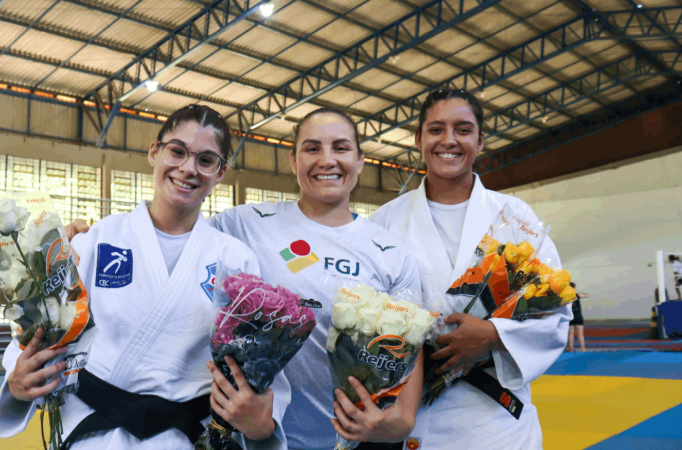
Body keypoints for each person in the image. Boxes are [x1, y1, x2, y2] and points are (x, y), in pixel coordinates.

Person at [67, 107, 424, 450]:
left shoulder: (390, 251)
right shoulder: (245, 225)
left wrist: (404, 418)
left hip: (351, 434)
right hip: (264, 426)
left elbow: (409, 341)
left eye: (341, 148)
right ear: (293, 160)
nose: (326, 160)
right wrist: (85, 239)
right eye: (312, 148)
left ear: (361, 160)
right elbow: (173, 227)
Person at [0, 105, 290, 450]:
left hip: (187, 439)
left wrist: (261, 420)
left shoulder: (237, 261)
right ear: (154, 152)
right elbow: (42, 336)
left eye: (206, 160)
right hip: (93, 435)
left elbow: (261, 365)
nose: (188, 168)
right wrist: (19, 380)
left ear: (220, 173)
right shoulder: (95, 240)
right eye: (177, 151)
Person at [370, 88, 572, 450]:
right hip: (416, 417)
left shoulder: (514, 217)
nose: (449, 140)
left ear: (481, 141)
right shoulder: (385, 221)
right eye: (436, 129)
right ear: (418, 139)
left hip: (497, 423)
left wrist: (492, 336)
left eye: (463, 130)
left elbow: (555, 311)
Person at [566, 282, 589, 352]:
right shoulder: (577, 295)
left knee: (571, 333)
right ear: (574, 288)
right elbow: (586, 295)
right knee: (580, 333)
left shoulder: (565, 296)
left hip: (570, 316)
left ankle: (571, 349)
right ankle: (583, 348)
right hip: (578, 316)